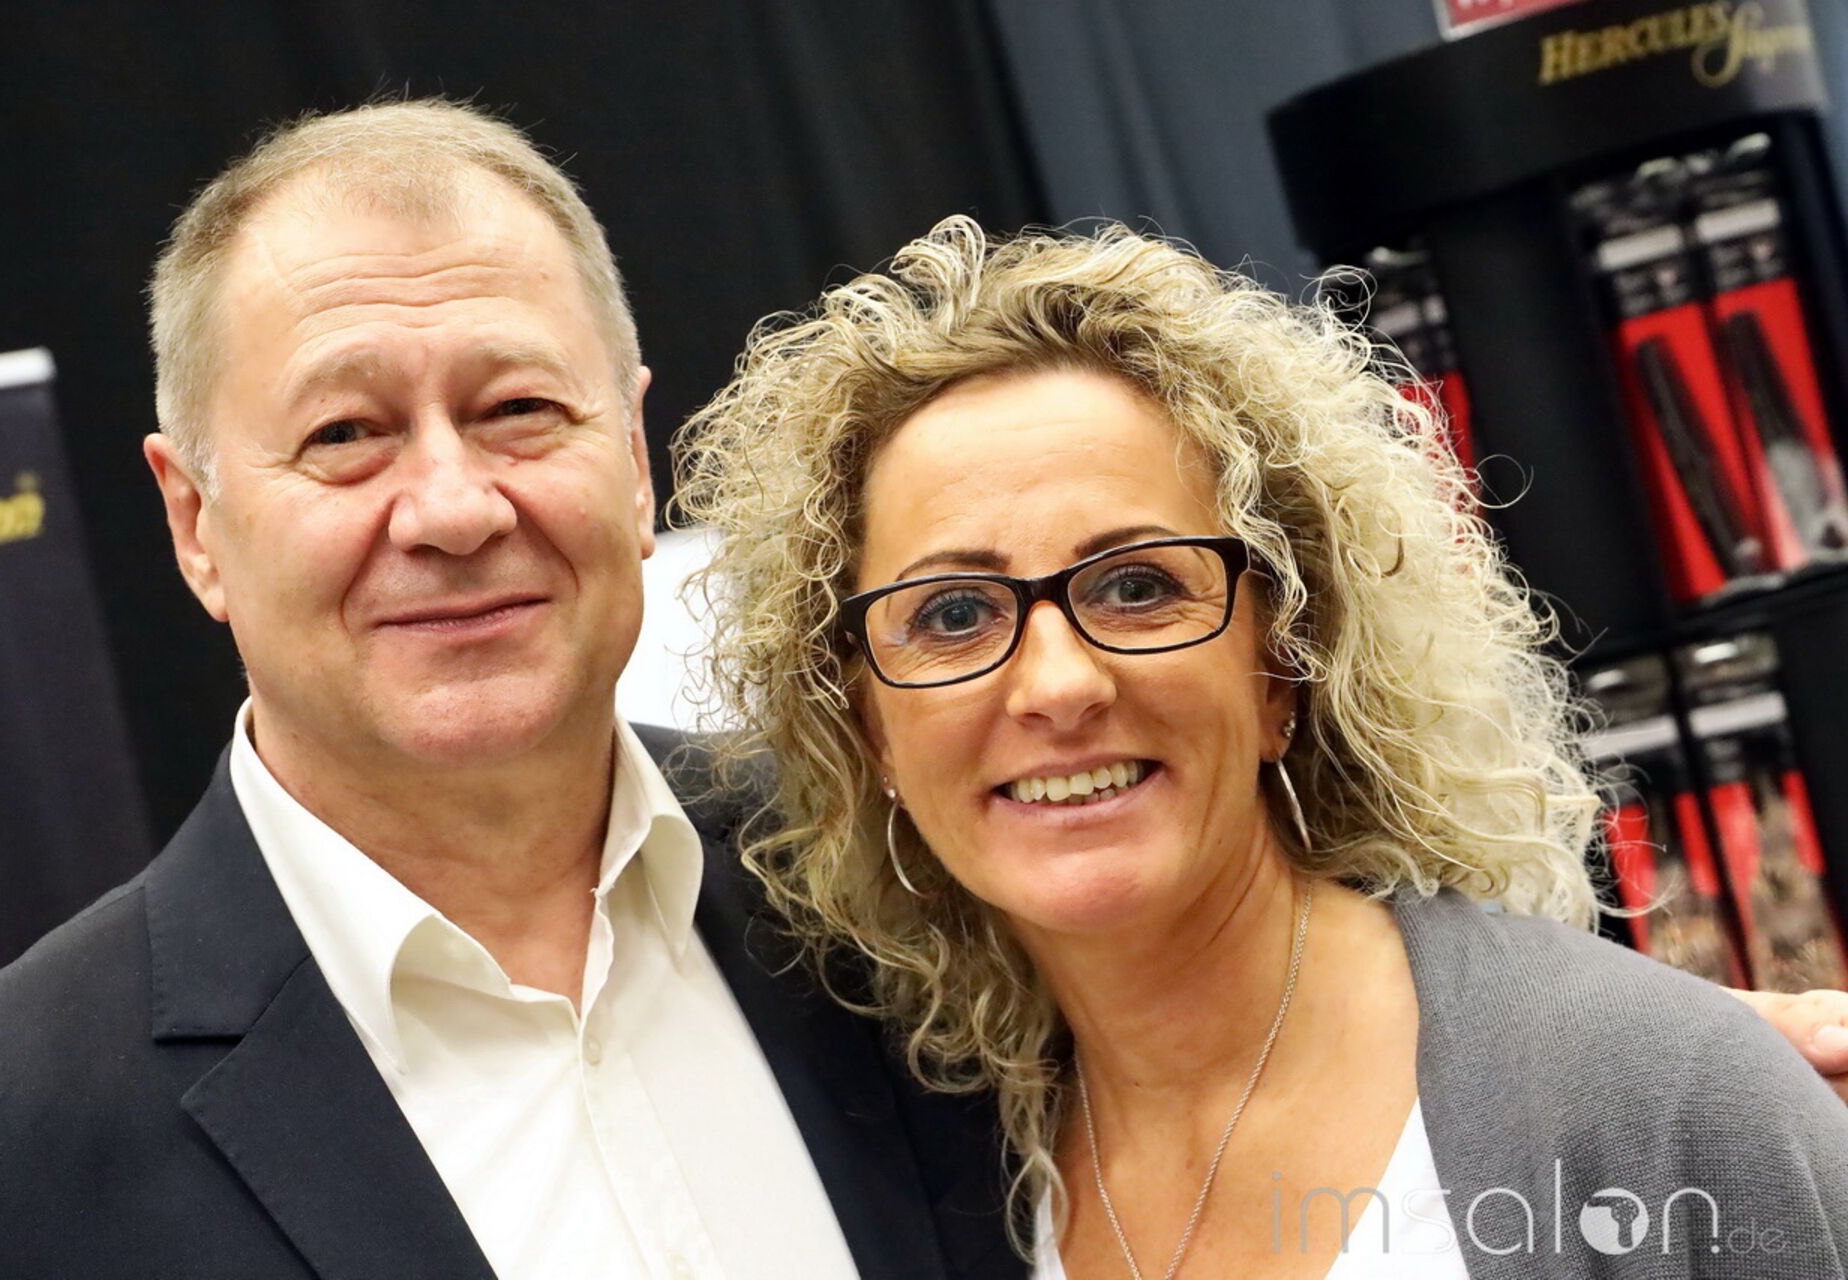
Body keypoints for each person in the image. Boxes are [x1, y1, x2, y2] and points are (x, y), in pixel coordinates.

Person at [0, 102, 1018, 1280]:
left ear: (634, 459)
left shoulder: (898, 875)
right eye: (345, 432)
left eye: (517, 411)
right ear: (196, 523)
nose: (453, 509)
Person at [673, 217, 1848, 1277]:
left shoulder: (1651, 1102)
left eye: (1138, 585)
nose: (1059, 682)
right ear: (865, 726)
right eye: (952, 613)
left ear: (1283, 660)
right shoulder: (952, 1173)